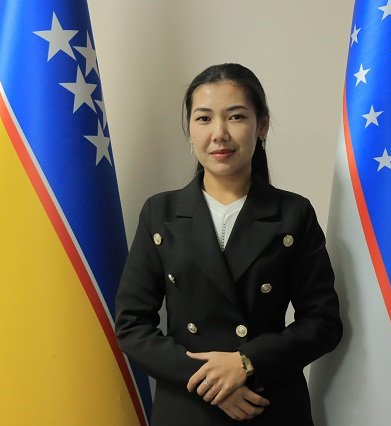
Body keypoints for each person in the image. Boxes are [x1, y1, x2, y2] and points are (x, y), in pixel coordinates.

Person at [115, 63, 342, 425]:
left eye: (236, 117)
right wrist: (211, 380)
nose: (219, 134)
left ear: (261, 125)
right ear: (190, 129)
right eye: (204, 119)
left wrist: (246, 362)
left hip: (269, 403)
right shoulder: (160, 213)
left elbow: (323, 322)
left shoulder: (293, 213)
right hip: (188, 406)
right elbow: (132, 325)